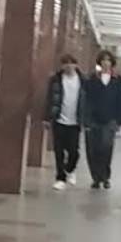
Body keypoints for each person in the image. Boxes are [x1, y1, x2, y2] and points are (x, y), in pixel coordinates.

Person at [83, 50, 121, 190]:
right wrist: (86, 119)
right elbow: (87, 100)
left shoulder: (118, 80)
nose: (106, 62)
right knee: (93, 148)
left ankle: (105, 176)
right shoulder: (92, 79)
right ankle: (95, 177)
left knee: (106, 147)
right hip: (93, 119)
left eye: (108, 60)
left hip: (110, 119)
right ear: (100, 62)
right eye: (103, 60)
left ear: (112, 63)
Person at [44, 54, 84, 191]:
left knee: (74, 151)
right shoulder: (55, 80)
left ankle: (70, 169)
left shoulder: (83, 81)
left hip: (75, 121)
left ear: (76, 65)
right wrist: (47, 117)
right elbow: (49, 99)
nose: (68, 66)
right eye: (65, 63)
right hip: (59, 119)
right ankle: (60, 178)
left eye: (71, 63)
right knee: (59, 150)